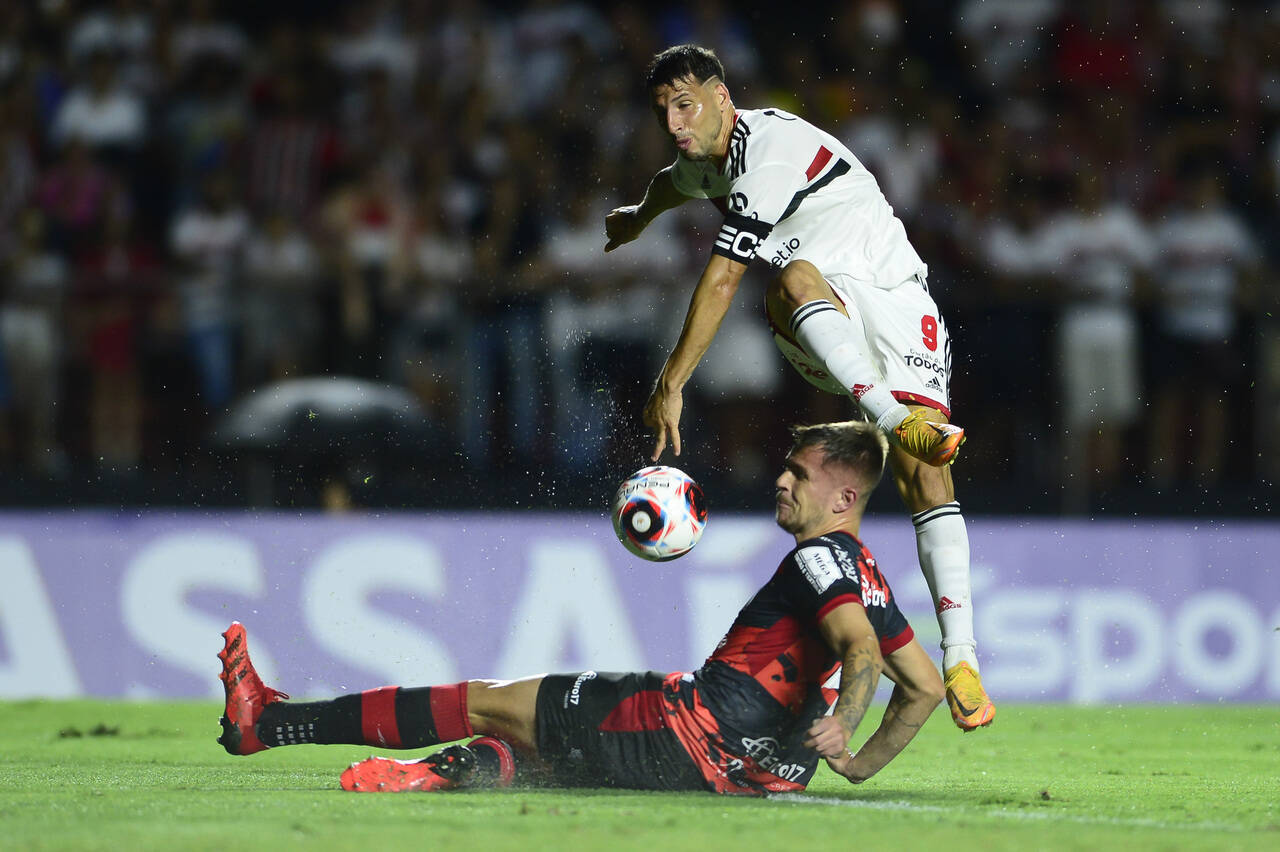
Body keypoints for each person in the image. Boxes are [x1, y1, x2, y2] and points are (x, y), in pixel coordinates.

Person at [218, 420, 944, 795]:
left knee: (487, 699)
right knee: (547, 752)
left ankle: (271, 724)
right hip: (755, 776)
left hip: (685, 729)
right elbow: (926, 687)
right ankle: (451, 772)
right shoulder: (868, 572)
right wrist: (855, 765)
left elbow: (862, 653)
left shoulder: (819, 558)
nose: (782, 481)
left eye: (800, 474)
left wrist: (845, 729)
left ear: (844, 499)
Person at [602, 45, 993, 728]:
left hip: (897, 300)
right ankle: (889, 414)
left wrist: (673, 381)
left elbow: (722, 277)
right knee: (791, 279)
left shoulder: (772, 151)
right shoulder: (703, 160)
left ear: (723, 98)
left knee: (926, 476)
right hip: (823, 312)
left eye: (685, 103)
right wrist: (639, 214)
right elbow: (676, 182)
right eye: (662, 108)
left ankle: (961, 658)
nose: (672, 121)